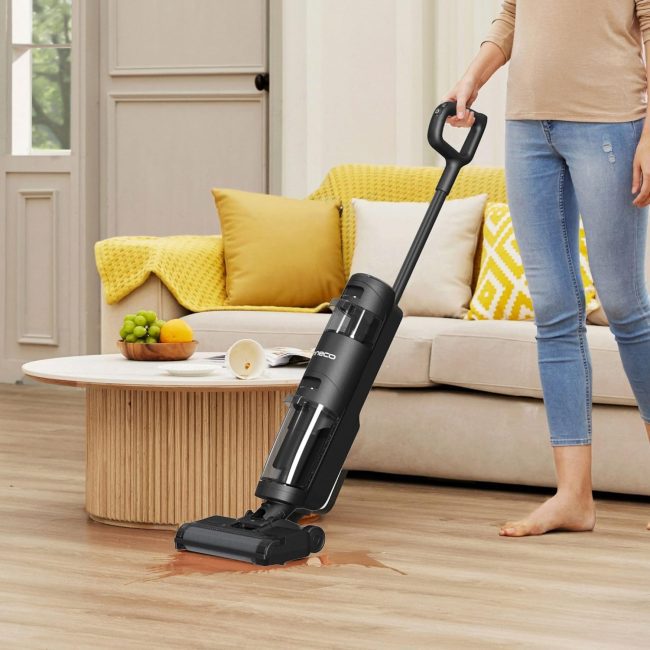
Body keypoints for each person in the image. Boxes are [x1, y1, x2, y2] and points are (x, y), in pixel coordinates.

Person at [445, 0, 650, 536]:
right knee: (555, 311)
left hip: (610, 123)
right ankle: (572, 498)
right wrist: (472, 77)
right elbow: (511, 17)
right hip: (528, 128)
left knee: (627, 308)